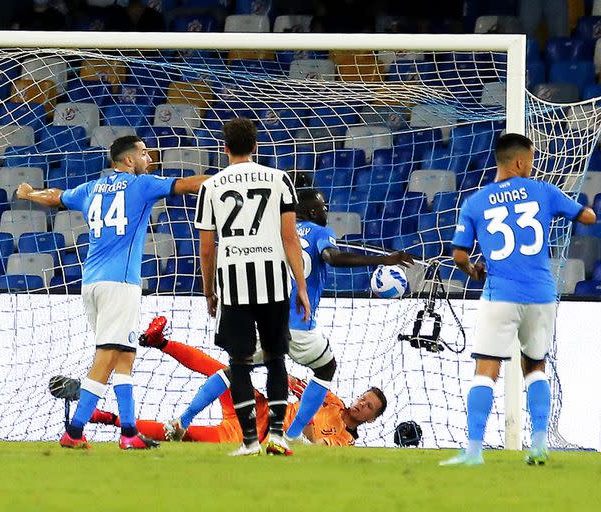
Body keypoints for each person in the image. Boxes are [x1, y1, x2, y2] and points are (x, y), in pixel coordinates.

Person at [162, 188, 412, 444]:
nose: (326, 211)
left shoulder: (274, 233)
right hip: (300, 325)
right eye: (324, 207)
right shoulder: (320, 233)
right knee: (326, 368)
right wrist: (384, 259)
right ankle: (291, 436)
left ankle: (183, 420)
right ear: (313, 211)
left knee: (233, 371)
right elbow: (333, 258)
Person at [16, 135, 208, 450]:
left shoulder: (92, 188)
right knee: (107, 358)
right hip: (120, 284)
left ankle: (129, 432)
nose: (149, 158)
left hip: (92, 283)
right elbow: (186, 184)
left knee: (124, 356)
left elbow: (57, 196)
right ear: (129, 160)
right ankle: (75, 431)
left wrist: (30, 193)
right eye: (144, 153)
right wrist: (228, 179)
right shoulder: (142, 185)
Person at [441, 133, 596, 466]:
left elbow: (458, 255)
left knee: (485, 371)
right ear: (520, 162)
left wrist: (472, 270)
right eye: (531, 159)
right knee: (536, 367)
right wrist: (558, 211)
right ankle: (539, 444)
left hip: (500, 294)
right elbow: (587, 217)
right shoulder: (543, 191)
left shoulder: (476, 202)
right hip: (541, 294)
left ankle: (473, 451)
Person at [194, 117, 311, 456]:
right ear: (256, 146)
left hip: (232, 286)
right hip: (273, 283)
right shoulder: (279, 179)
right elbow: (290, 239)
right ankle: (275, 434)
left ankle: (248, 441)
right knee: (276, 358)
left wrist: (209, 290)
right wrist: (300, 287)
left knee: (240, 362)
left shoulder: (212, 186)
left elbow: (206, 246)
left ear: (225, 148)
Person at [88, 317, 387, 446]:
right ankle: (159, 342)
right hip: (260, 408)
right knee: (224, 371)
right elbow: (295, 382)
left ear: (372, 419)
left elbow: (316, 443)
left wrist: (305, 425)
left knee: (185, 435)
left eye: (368, 406)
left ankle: (109, 419)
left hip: (256, 437)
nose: (361, 403)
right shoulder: (331, 399)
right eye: (364, 398)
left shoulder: (345, 441)